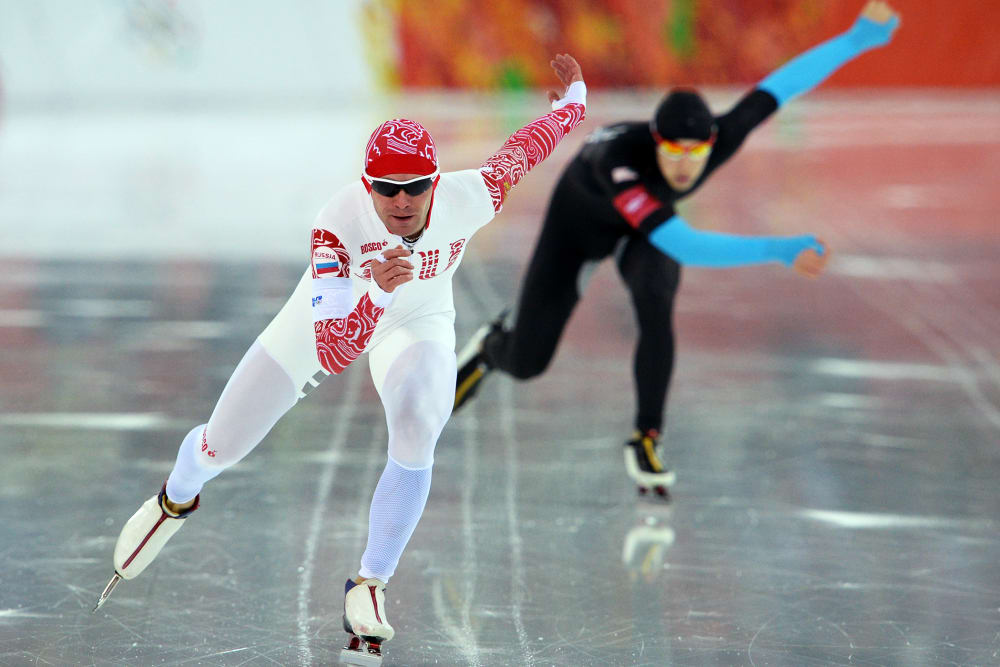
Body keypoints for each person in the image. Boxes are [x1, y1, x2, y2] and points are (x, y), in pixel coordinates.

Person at [94, 54, 588, 661]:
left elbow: (524, 150)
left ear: (436, 182)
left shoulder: (469, 195)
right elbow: (332, 350)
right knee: (222, 446)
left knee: (418, 424)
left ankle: (370, 582)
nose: (401, 202)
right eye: (385, 189)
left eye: (414, 188)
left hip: (419, 323)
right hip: (321, 322)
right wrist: (377, 288)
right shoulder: (337, 226)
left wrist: (574, 102)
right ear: (367, 184)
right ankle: (177, 496)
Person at [454, 1, 900, 499]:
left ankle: (646, 438)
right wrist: (779, 248)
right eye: (675, 152)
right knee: (528, 363)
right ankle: (492, 347)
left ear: (711, 142)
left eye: (697, 153)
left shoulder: (718, 139)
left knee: (656, 300)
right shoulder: (618, 161)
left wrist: (858, 40)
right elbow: (685, 244)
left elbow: (782, 86)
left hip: (644, 230)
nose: (687, 166)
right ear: (656, 142)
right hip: (580, 231)